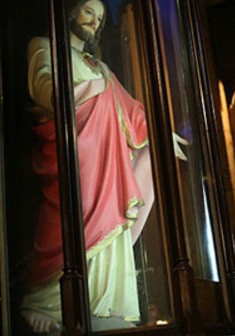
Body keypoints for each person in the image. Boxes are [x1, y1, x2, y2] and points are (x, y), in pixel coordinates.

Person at [19, 0, 175, 332]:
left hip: (108, 161)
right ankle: (46, 302)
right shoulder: (44, 46)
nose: (94, 21)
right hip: (75, 154)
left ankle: (105, 306)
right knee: (68, 221)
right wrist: (90, 94)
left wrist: (161, 135)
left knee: (110, 225)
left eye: (100, 17)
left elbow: (131, 110)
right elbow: (44, 86)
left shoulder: (100, 68)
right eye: (89, 11)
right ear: (72, 11)